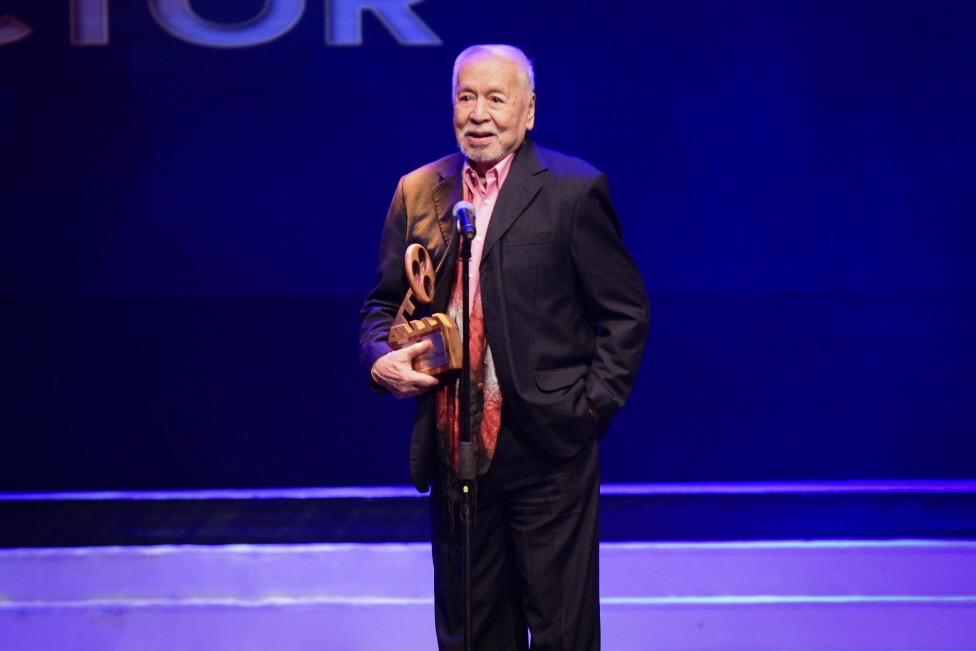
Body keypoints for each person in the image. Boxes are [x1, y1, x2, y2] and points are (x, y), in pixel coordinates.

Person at [359, 44, 650, 651]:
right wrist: (380, 360)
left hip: (547, 449)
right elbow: (381, 307)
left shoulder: (573, 189)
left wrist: (588, 409)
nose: (479, 113)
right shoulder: (419, 190)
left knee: (562, 634)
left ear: (529, 110)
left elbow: (626, 315)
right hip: (454, 450)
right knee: (471, 635)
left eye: (496, 98)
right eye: (466, 97)